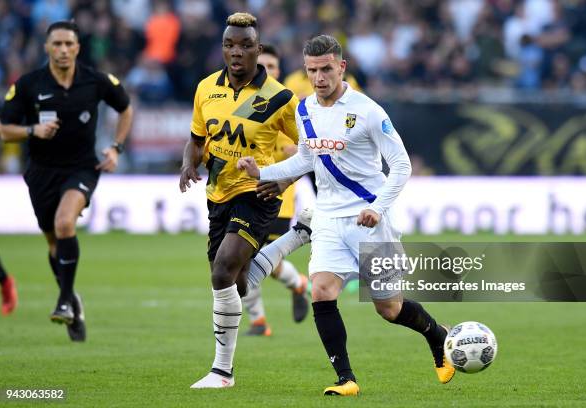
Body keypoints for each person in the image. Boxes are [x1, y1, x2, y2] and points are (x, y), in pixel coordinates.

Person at [238, 34, 455, 396]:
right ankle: (346, 379)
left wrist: (377, 207)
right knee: (322, 291)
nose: (319, 78)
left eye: (326, 69)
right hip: (327, 218)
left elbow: (400, 166)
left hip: (368, 218)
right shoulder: (304, 109)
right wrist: (262, 172)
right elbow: (306, 159)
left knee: (388, 308)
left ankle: (437, 335)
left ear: (341, 67)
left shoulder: (368, 111)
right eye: (312, 71)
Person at [180, 12, 312, 389]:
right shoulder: (206, 88)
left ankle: (222, 372)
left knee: (222, 271)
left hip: (256, 194)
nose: (236, 52)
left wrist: (284, 181)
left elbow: (309, 150)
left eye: (245, 45)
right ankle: (297, 236)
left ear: (258, 49)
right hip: (217, 194)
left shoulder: (280, 98)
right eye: (229, 45)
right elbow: (196, 138)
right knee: (235, 286)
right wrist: (187, 163)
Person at [0, 21, 133, 342]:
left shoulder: (96, 81)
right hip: (41, 172)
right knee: (53, 244)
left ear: (77, 48)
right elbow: (4, 128)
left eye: (68, 44)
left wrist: (116, 147)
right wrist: (32, 131)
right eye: (56, 44)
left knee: (64, 224)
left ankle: (63, 300)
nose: (62, 50)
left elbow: (126, 109)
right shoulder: (29, 84)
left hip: (83, 167)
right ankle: (74, 300)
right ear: (47, 47)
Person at [242, 44, 309, 337]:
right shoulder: (247, 103)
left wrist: (286, 150)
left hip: (277, 199)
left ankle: (260, 319)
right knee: (247, 260)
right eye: (262, 66)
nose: (267, 71)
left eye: (272, 66)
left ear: (279, 71)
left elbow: (298, 148)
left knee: (250, 261)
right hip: (245, 192)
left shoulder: (284, 103)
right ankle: (296, 286)